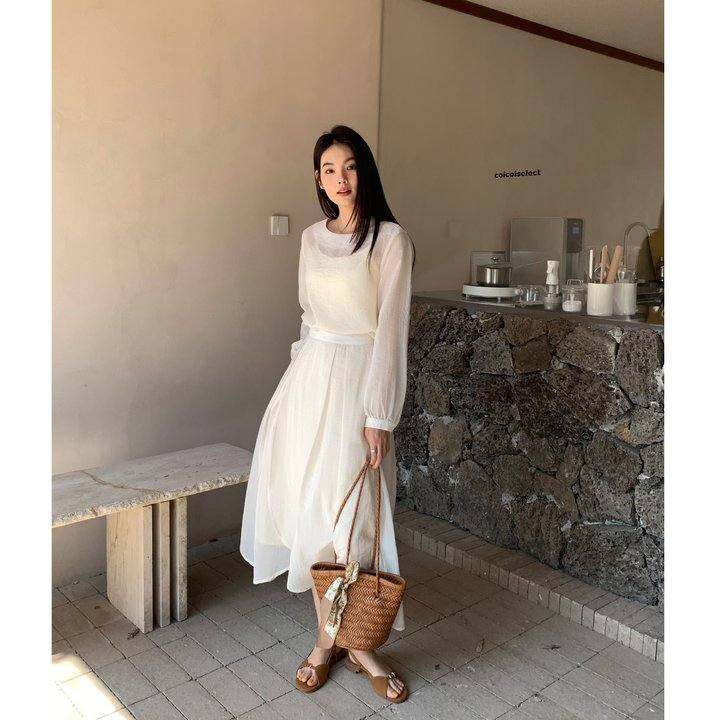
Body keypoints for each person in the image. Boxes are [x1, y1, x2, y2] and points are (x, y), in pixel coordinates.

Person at [240, 124, 416, 703]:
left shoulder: (389, 240)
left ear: (365, 171)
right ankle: (327, 639)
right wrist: (295, 386)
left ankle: (358, 643)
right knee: (314, 515)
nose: (339, 179)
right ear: (318, 178)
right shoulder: (312, 238)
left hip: (359, 387)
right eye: (328, 169)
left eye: (350, 167)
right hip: (309, 383)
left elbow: (390, 333)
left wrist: (379, 415)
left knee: (355, 523)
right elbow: (307, 317)